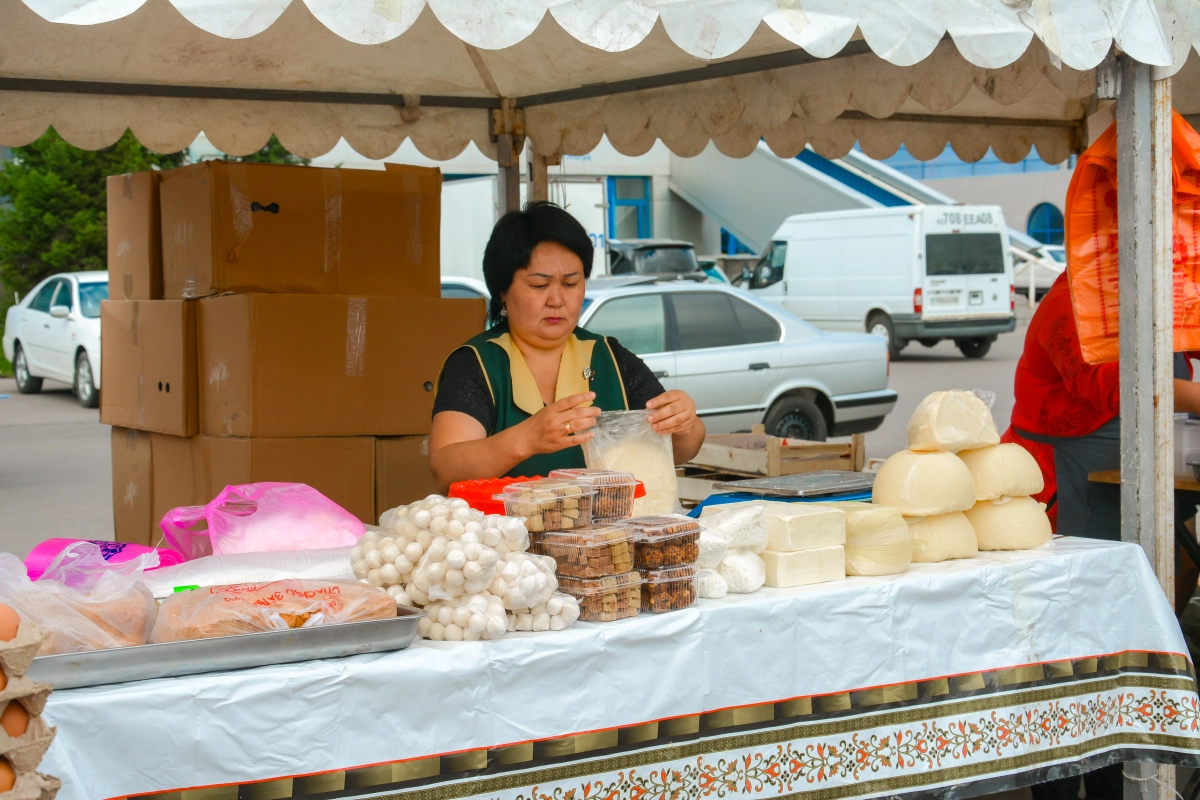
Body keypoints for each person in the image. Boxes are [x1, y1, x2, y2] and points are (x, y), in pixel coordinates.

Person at [1006, 271, 1200, 800]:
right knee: (1068, 652)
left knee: (1125, 642)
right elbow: (1128, 383)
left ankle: (1122, 758)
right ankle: (1066, 779)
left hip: (1136, 479)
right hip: (1065, 483)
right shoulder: (1079, 298)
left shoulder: (1161, 281)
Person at [429, 201, 706, 492]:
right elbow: (445, 468)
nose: (557, 300)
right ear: (502, 291)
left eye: (571, 284)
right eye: (539, 285)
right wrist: (526, 439)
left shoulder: (609, 357)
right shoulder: (477, 364)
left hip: (605, 535)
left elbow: (683, 448)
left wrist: (684, 422)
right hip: (504, 535)